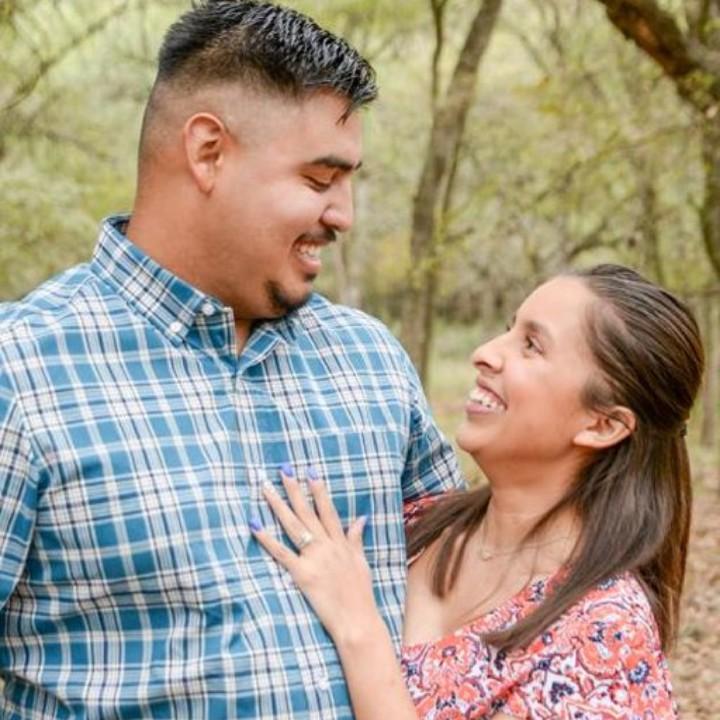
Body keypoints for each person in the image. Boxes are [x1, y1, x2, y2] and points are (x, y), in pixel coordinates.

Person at [0, 2, 462, 718]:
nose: (343, 215)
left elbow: (474, 599)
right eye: (319, 180)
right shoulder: (21, 371)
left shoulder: (373, 363)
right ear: (208, 151)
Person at [255, 264, 704, 719]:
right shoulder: (417, 525)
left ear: (602, 425)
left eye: (532, 346)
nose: (485, 353)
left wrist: (359, 630)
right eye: (509, 329)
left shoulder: (606, 640)